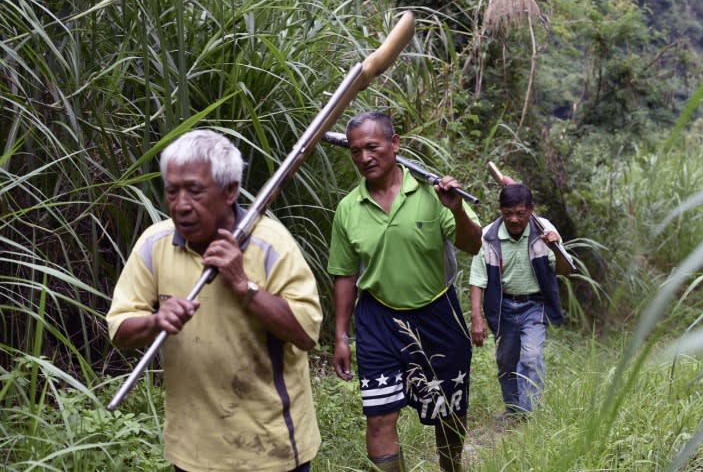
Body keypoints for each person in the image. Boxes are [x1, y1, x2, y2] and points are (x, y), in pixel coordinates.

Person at [106, 129, 323, 472]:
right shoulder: (155, 245)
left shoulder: (271, 244)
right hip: (193, 453)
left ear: (230, 191)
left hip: (271, 450)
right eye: (172, 191)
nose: (180, 205)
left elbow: (305, 333)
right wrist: (154, 321)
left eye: (194, 191)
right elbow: (120, 329)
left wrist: (243, 285)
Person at [327, 111, 482, 472]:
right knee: (379, 417)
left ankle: (451, 466)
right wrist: (340, 336)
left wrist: (457, 211)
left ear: (394, 144)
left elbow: (473, 245)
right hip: (378, 319)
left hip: (438, 313)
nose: (364, 158)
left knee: (449, 410)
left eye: (372, 147)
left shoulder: (431, 194)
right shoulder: (348, 209)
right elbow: (344, 274)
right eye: (355, 151)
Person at [469, 182, 573, 419]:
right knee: (506, 362)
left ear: (531, 209)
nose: (514, 219)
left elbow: (565, 270)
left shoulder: (544, 231)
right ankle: (514, 410)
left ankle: (528, 415)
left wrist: (555, 247)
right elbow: (477, 279)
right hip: (503, 308)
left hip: (535, 306)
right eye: (508, 214)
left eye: (520, 213)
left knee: (531, 356)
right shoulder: (488, 236)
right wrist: (477, 318)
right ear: (500, 211)